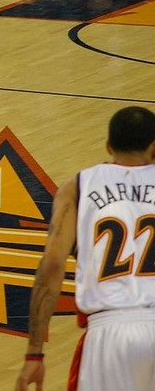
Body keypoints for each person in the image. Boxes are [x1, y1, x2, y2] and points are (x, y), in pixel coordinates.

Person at [16, 106, 155, 390]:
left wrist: (34, 352)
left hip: (109, 334)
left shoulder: (77, 187)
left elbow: (52, 266)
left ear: (108, 146)